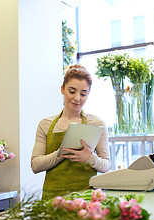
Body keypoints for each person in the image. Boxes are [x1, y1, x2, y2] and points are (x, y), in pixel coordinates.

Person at [31, 64, 111, 200]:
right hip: (53, 198)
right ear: (62, 89)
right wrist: (61, 153)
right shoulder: (45, 124)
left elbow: (106, 165)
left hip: (87, 198)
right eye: (72, 91)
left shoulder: (97, 123)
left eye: (83, 93)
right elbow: (35, 165)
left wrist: (90, 158)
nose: (77, 98)